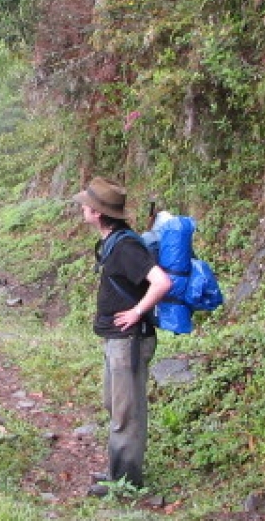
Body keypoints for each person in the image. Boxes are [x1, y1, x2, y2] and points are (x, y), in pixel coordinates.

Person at [72, 176, 172, 497]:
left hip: (128, 340)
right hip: (116, 339)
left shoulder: (126, 246)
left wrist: (137, 312)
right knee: (114, 404)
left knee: (126, 412)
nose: (82, 208)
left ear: (98, 213)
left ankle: (126, 483)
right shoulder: (112, 240)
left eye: (86, 205)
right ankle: (118, 469)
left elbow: (161, 282)